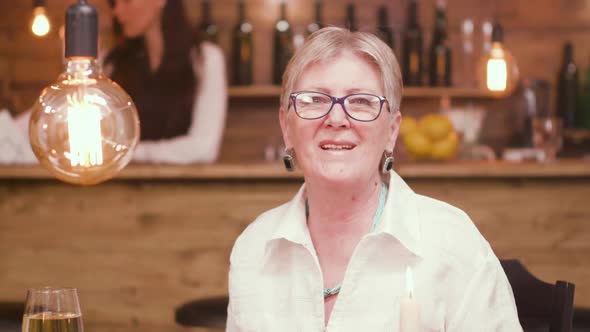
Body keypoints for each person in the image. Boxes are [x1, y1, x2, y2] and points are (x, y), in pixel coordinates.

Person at [226, 27, 522, 331]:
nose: (337, 119)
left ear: (391, 131)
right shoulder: (253, 249)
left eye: (361, 102)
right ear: (287, 127)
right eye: (314, 99)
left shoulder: (452, 244)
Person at [103, 0, 227, 164]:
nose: (117, 11)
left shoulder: (205, 59)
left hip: (185, 187)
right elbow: (100, 142)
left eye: (126, 1)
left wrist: (131, 153)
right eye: (114, 3)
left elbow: (204, 148)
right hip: (119, 188)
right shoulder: (111, 64)